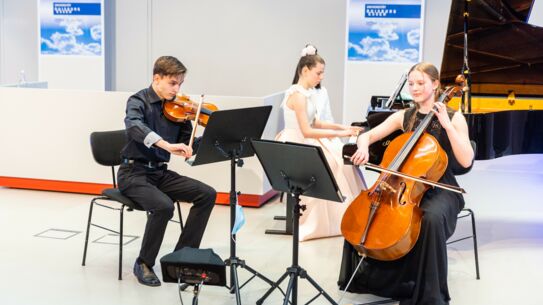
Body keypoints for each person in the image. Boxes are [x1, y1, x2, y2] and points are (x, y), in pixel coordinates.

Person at [338, 62, 474, 305]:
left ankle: (428, 293)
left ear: (435, 84)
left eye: (421, 83)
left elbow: (466, 160)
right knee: (365, 213)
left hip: (441, 187)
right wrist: (363, 148)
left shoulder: (455, 117)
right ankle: (378, 280)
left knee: (429, 219)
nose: (415, 88)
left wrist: (447, 126)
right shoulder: (405, 116)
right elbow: (367, 134)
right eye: (411, 83)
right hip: (403, 184)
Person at [117, 56, 216, 287]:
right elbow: (134, 127)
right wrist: (165, 144)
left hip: (160, 173)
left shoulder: (179, 109)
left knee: (207, 194)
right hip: (133, 173)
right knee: (164, 206)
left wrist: (202, 141)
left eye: (180, 84)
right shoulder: (137, 101)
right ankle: (143, 263)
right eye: (173, 83)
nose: (177, 89)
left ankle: (182, 257)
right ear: (157, 78)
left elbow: (186, 144)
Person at [276, 44, 366, 241]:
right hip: (296, 142)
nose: (321, 77)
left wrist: (344, 129)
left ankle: (350, 216)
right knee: (333, 164)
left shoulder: (307, 94)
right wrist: (333, 134)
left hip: (306, 138)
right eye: (319, 73)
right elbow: (306, 131)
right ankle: (326, 222)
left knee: (344, 161)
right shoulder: (297, 96)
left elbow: (316, 122)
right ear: (305, 70)